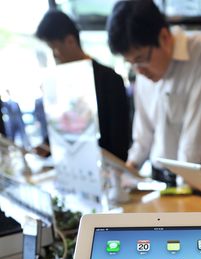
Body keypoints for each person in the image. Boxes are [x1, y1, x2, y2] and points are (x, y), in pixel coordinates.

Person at [107, 0, 201, 186]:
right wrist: (127, 173)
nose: (139, 70)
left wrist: (181, 189)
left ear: (164, 37)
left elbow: (195, 138)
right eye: (131, 62)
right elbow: (144, 133)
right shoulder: (143, 72)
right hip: (161, 179)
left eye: (141, 59)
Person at [36, 9, 130, 161]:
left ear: (70, 41)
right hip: (70, 167)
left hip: (105, 170)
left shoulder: (109, 79)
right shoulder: (60, 82)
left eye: (54, 47)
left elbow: (119, 139)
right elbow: (61, 125)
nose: (54, 55)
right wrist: (47, 146)